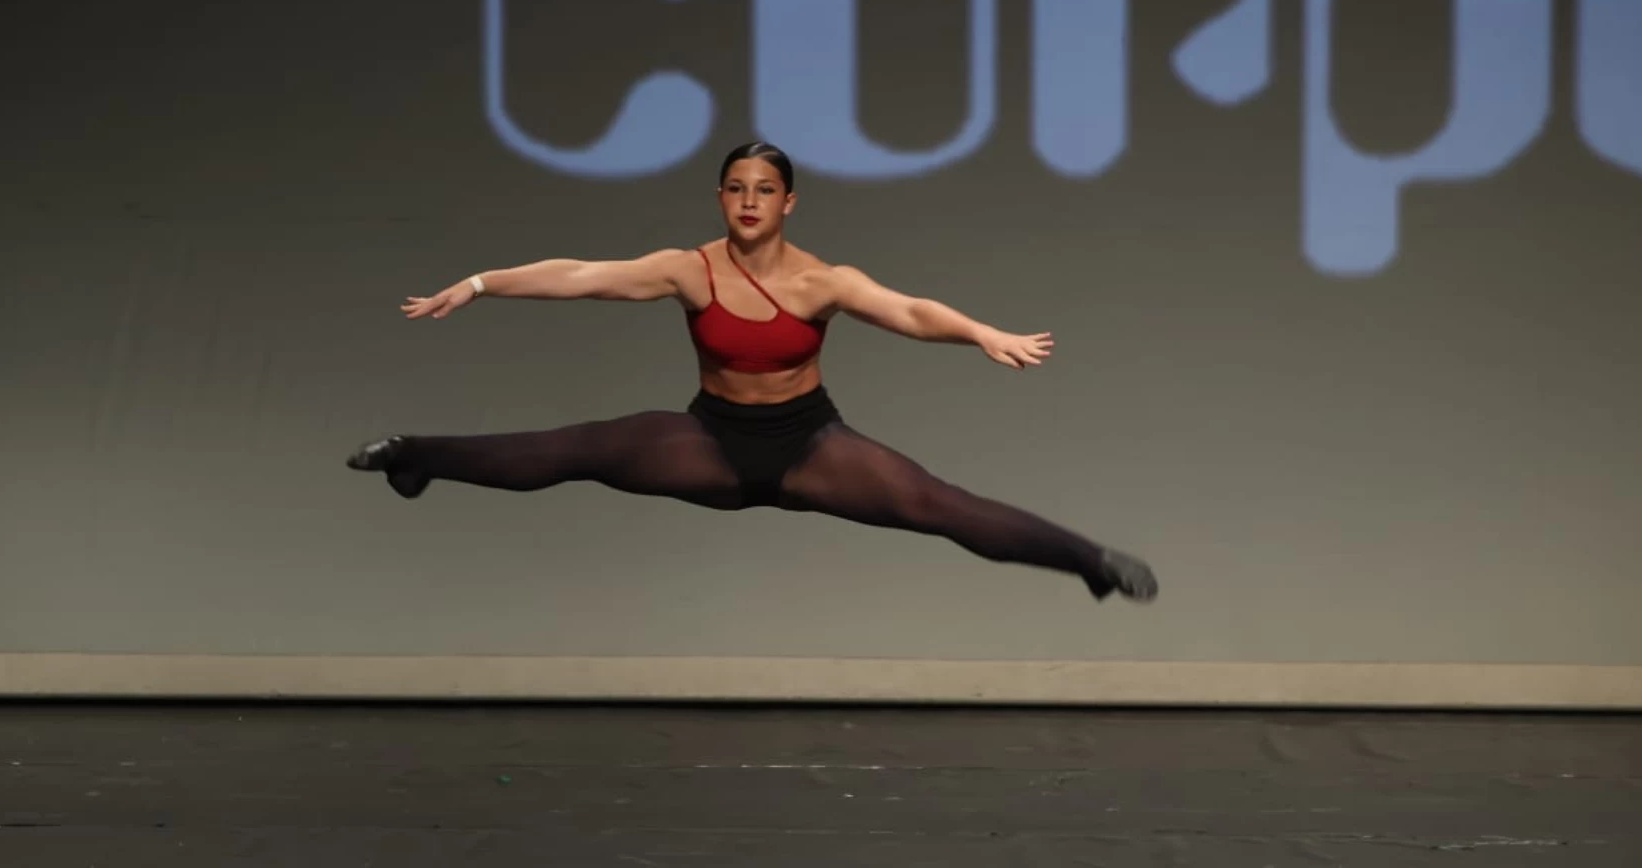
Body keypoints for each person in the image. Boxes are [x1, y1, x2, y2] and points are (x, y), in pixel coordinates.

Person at [347, 142, 1158, 602]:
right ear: (720, 197)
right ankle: (413, 456)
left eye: (764, 190)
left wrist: (980, 332)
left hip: (809, 448)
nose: (748, 201)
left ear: (788, 203)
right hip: (711, 444)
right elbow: (583, 274)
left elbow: (909, 311)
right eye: (736, 188)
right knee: (575, 449)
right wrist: (481, 282)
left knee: (938, 505)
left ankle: (1090, 562)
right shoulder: (689, 269)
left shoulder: (820, 281)